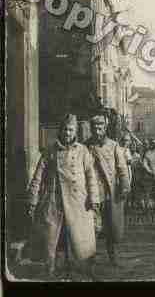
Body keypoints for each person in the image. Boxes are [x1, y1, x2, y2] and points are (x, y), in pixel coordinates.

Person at [27, 114, 99, 278]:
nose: (67, 133)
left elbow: (91, 176)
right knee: (53, 235)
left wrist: (94, 199)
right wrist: (33, 198)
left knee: (80, 236)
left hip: (78, 200)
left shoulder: (82, 151)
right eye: (65, 129)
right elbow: (38, 175)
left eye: (71, 130)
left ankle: (82, 267)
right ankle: (52, 267)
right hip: (55, 198)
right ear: (61, 130)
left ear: (75, 132)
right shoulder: (50, 150)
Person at [86, 115, 130, 267]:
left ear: (105, 128)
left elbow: (122, 168)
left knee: (112, 226)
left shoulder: (113, 146)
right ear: (91, 129)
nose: (97, 131)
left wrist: (124, 187)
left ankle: (113, 258)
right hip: (92, 193)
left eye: (100, 128)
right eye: (94, 128)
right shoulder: (85, 146)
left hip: (110, 192)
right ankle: (91, 259)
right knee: (92, 227)